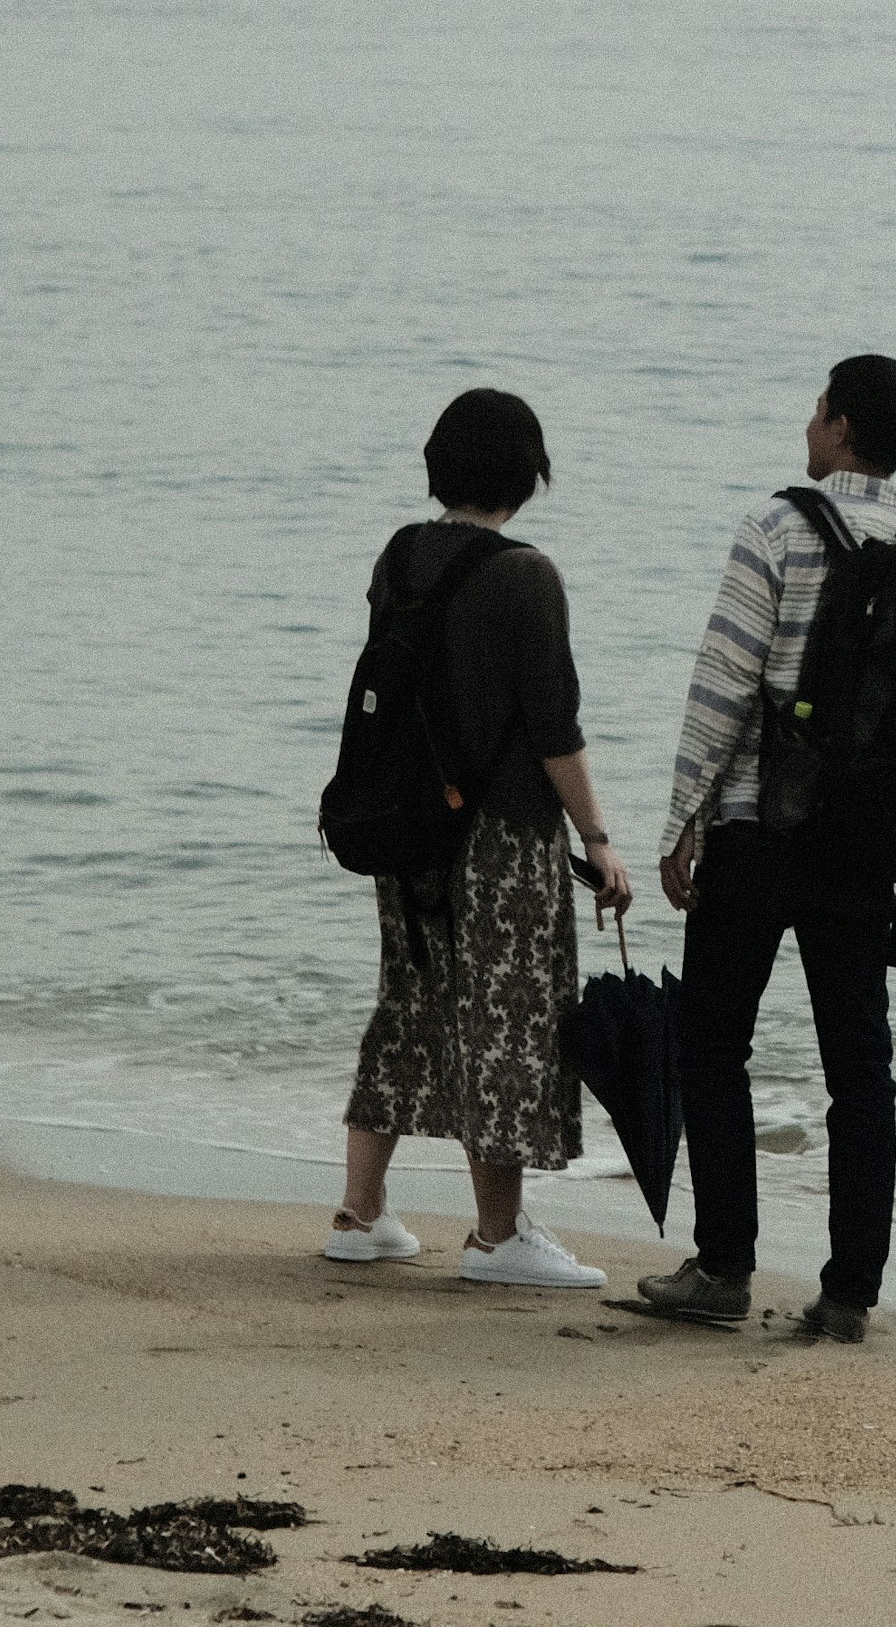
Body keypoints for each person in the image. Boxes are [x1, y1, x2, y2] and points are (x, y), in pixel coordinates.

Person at [633, 355, 896, 1343]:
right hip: (867, 845)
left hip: (758, 828)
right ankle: (850, 1292)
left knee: (715, 1043)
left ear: (843, 428)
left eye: (819, 410)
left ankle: (724, 1268)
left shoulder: (775, 527)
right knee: (861, 1067)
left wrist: (682, 817)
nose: (808, 423)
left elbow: (725, 680)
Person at [325, 387, 635, 1288]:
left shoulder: (401, 555)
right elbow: (554, 728)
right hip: (499, 837)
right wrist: (600, 838)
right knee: (505, 1018)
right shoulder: (525, 575)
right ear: (526, 473)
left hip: (410, 825)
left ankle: (362, 1212)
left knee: (411, 1004)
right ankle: (498, 1238)